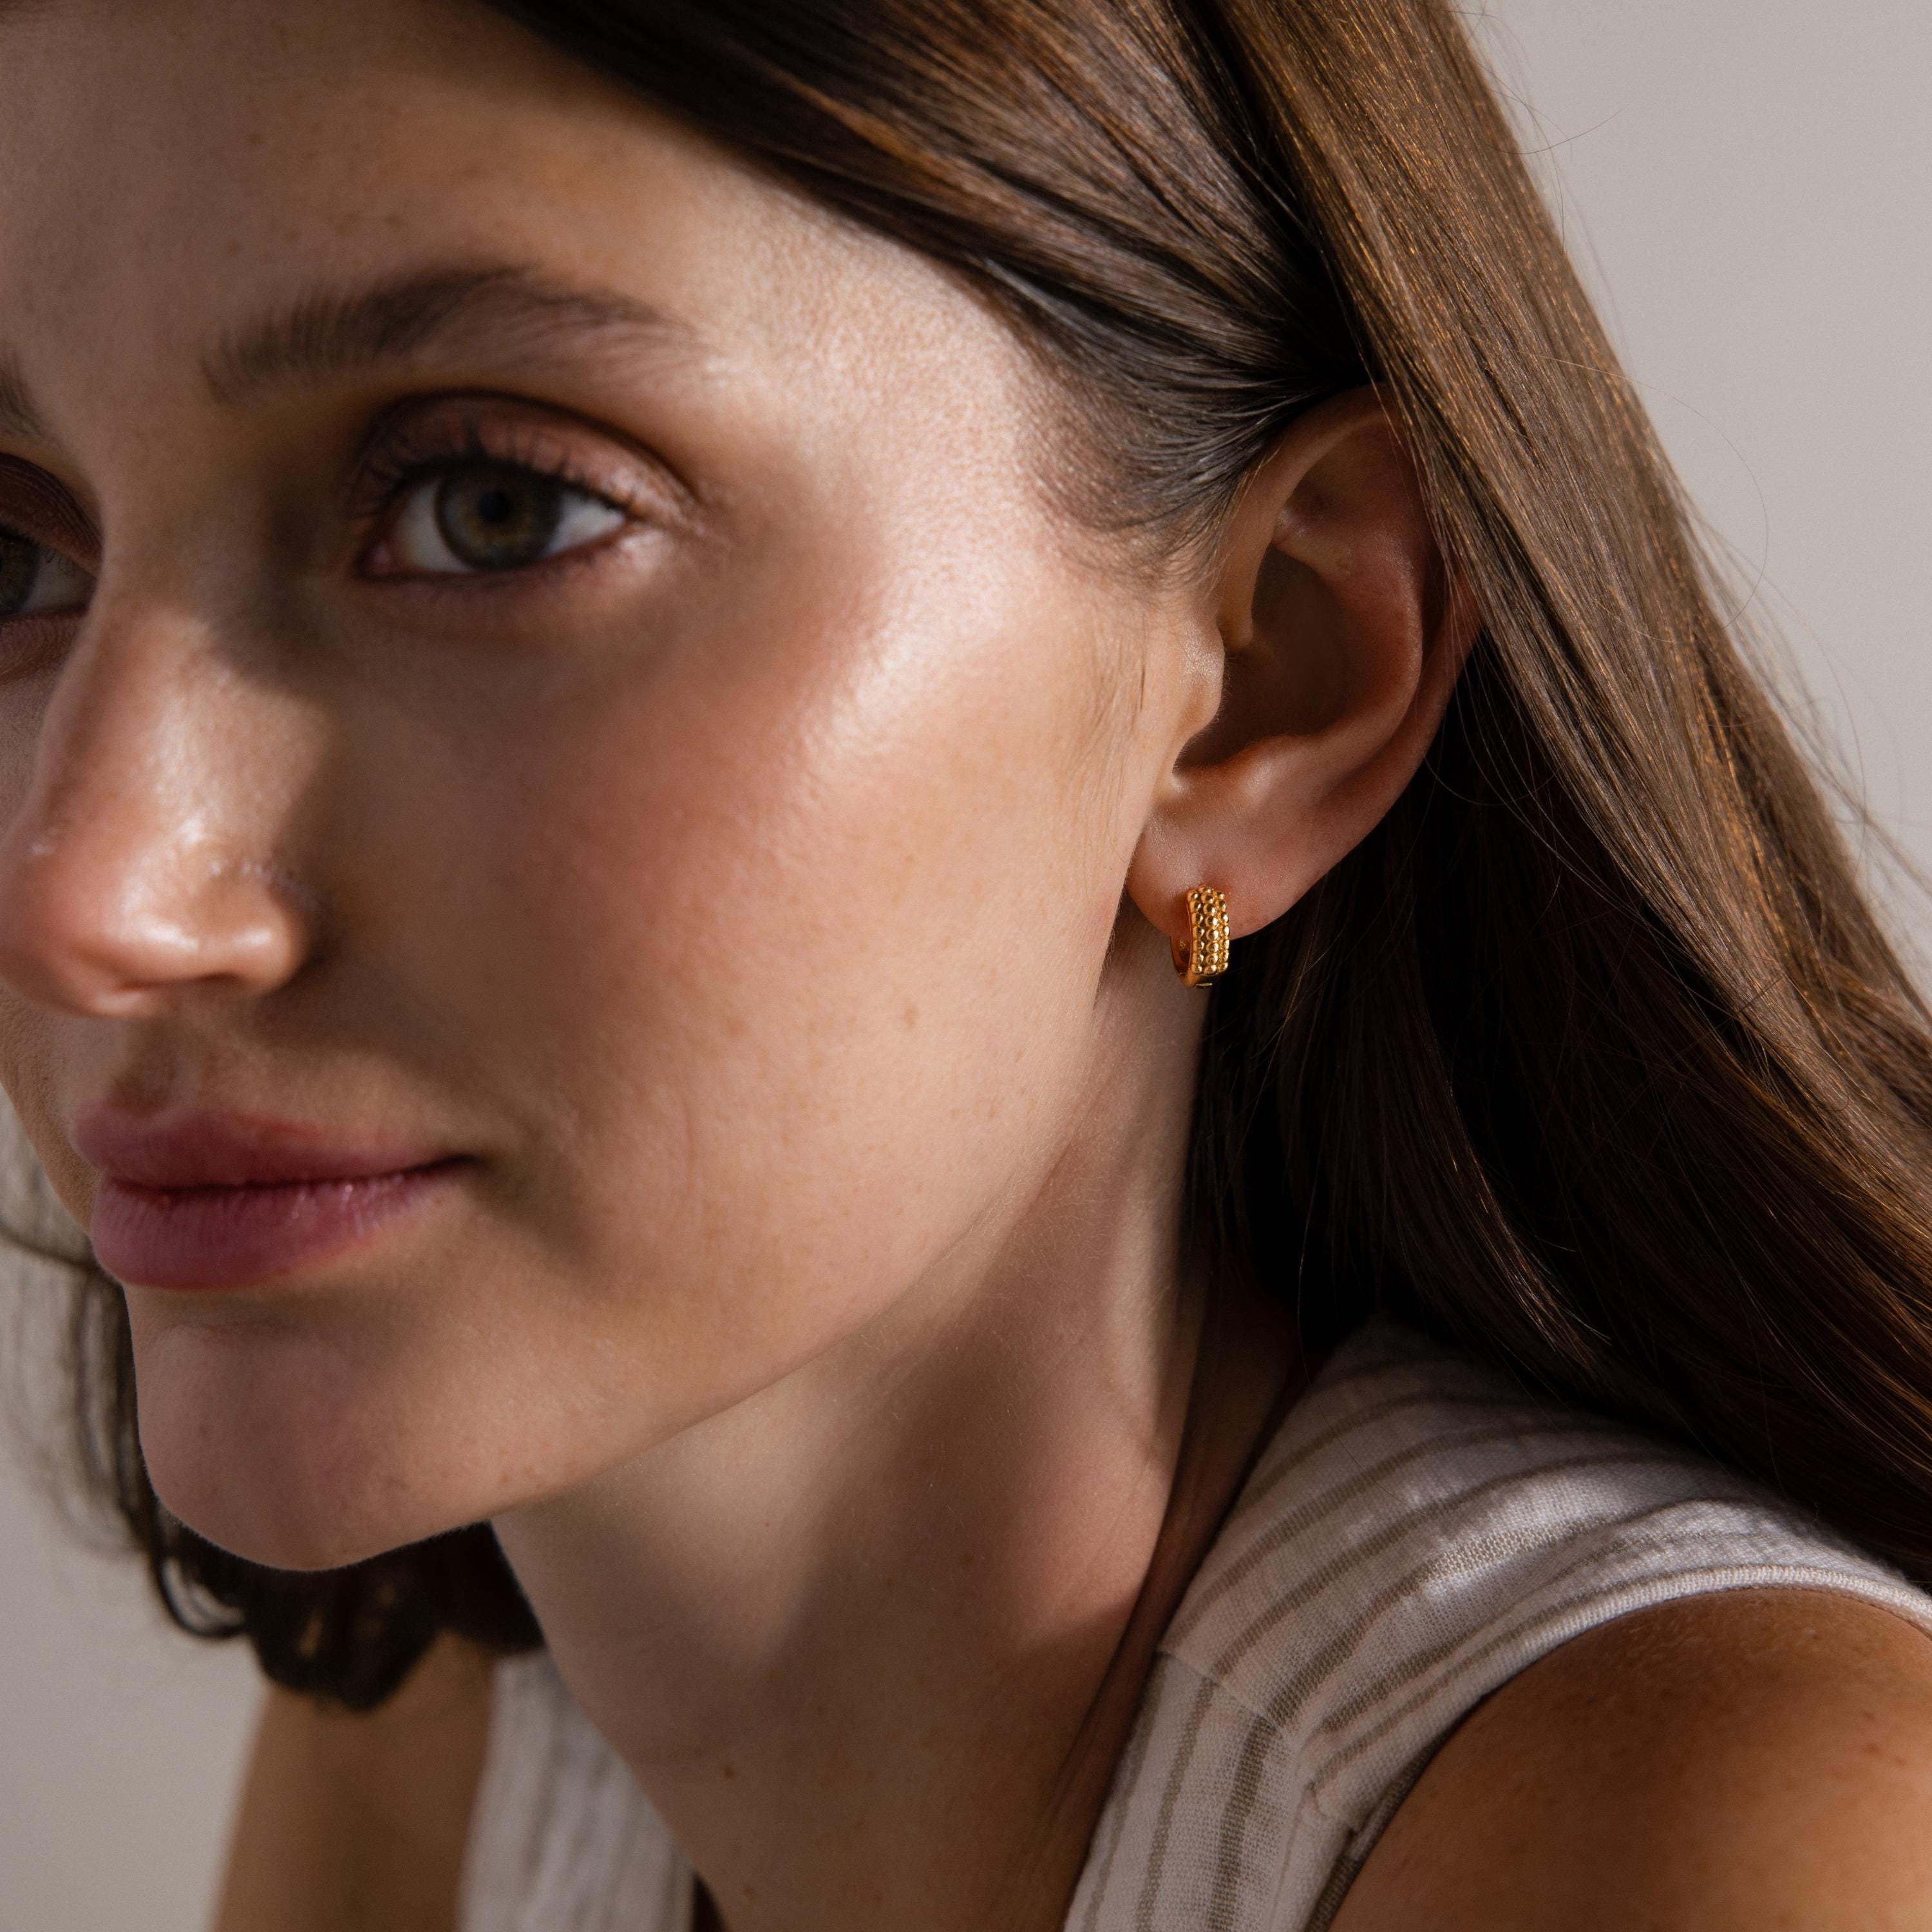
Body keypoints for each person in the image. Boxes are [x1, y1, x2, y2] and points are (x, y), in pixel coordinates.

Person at [3, 0, 1931, 1926]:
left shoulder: (1747, 1864)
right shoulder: (458, 1712)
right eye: (15, 557)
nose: (85, 892)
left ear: (1263, 682)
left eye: (492, 512)